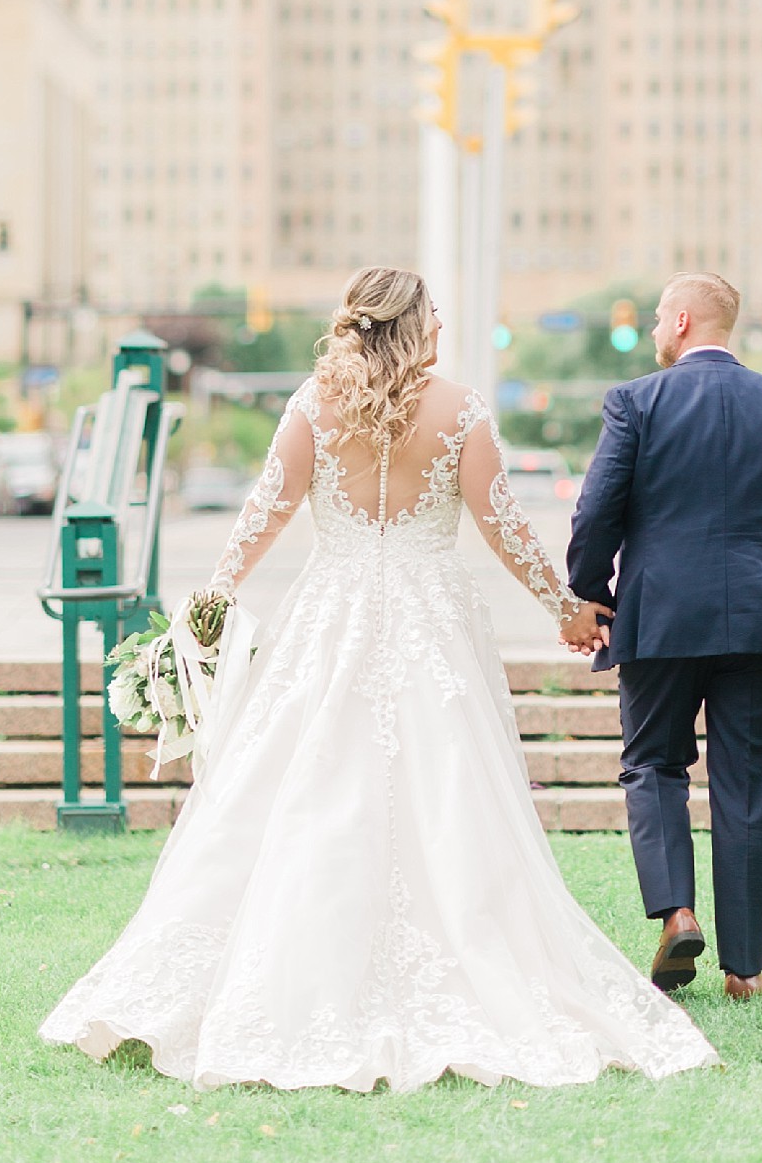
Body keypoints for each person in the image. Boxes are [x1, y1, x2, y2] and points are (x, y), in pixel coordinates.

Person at [41, 267, 717, 1092]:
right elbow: (501, 523)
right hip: (432, 619)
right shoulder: (460, 409)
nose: (440, 327)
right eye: (433, 315)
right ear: (414, 325)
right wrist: (563, 608)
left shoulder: (312, 406)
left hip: (333, 612)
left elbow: (265, 511)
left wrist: (213, 599)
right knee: (446, 784)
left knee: (305, 783)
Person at [566, 272, 762, 1001]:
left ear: (686, 320)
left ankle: (677, 912)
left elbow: (597, 511)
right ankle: (745, 969)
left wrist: (591, 595)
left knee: (653, 764)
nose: (656, 330)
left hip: (659, 618)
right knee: (753, 789)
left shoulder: (635, 401)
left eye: (662, 317)